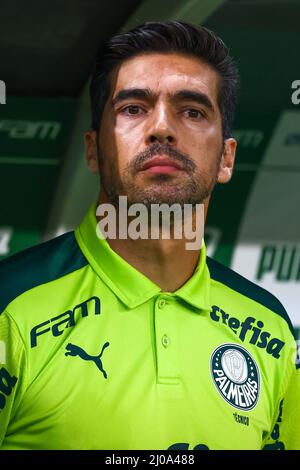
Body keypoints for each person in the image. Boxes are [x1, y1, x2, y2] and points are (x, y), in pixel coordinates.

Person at [0, 21, 299, 451]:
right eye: (133, 108)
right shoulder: (9, 308)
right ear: (92, 149)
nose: (162, 128)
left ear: (227, 159)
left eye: (192, 111)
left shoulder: (270, 327)